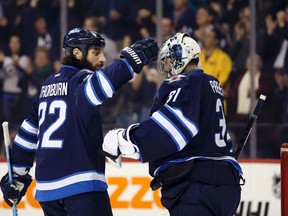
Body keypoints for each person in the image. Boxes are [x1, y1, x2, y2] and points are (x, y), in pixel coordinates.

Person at [0, 27, 158, 216]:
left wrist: (16, 175)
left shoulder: (47, 87)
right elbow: (102, 84)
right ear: (77, 53)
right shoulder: (80, 80)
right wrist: (129, 62)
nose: (102, 59)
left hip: (48, 193)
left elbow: (27, 132)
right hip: (81, 187)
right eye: (96, 53)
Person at [102, 32, 243, 215]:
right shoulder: (211, 83)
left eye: (168, 60)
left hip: (196, 184)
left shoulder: (186, 81)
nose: (166, 66)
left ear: (180, 55)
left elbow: (175, 126)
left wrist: (126, 139)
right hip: (227, 184)